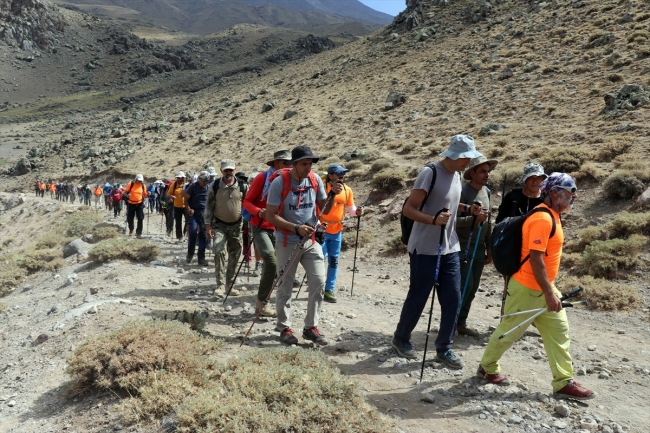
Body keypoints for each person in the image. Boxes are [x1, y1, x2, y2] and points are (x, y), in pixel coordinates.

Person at [478, 173, 595, 399]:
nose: (575, 196)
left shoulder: (554, 215)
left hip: (544, 288)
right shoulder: (542, 219)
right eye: (570, 191)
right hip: (526, 288)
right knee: (509, 331)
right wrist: (550, 294)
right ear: (553, 192)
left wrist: (549, 291)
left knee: (559, 332)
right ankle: (487, 367)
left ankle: (563, 382)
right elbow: (536, 259)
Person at [391, 134, 482, 369]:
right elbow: (409, 209)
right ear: (454, 155)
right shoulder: (429, 173)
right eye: (465, 158)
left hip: (449, 247)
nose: (468, 163)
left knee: (453, 298)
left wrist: (467, 208)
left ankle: (444, 348)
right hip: (425, 247)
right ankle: (401, 338)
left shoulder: (458, 175)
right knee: (419, 296)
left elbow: (450, 203)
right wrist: (433, 220)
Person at [266, 145, 339, 346]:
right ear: (294, 164)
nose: (309, 168)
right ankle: (284, 327)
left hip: (310, 240)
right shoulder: (279, 184)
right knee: (285, 284)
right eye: (305, 164)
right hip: (286, 241)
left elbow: (324, 209)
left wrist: (333, 194)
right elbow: (271, 215)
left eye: (310, 164)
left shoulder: (315, 180)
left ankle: (310, 327)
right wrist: (295, 227)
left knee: (319, 281)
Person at [243, 149, 293, 317]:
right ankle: (262, 304)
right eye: (286, 163)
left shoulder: (290, 180)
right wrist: (258, 211)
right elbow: (247, 201)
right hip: (260, 226)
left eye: (291, 163)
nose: (290, 166)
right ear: (277, 163)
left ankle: (274, 302)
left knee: (279, 266)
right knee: (271, 261)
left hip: (280, 228)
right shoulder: (262, 178)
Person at [455, 154, 498, 337]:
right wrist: (473, 217)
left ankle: (461, 323)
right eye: (483, 171)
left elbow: (487, 222)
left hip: (479, 246)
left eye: (488, 171)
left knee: (473, 288)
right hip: (464, 245)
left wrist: (489, 247)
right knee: (465, 285)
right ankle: (451, 323)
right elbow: (453, 222)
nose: (487, 175)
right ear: (472, 173)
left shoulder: (486, 192)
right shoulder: (462, 192)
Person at [318, 163, 364, 303]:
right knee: (318, 260)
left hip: (337, 231)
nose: (342, 176)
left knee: (334, 261)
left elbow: (351, 209)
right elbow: (315, 207)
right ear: (331, 176)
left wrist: (357, 212)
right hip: (321, 230)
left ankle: (329, 289)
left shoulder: (347, 190)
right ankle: (317, 286)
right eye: (339, 174)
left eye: (343, 173)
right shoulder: (322, 188)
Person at [205, 159, 248, 296]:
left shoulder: (243, 186)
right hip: (219, 225)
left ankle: (230, 284)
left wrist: (248, 225)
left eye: (231, 169)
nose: (229, 172)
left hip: (237, 226)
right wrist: (207, 226)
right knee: (219, 251)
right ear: (221, 170)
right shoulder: (215, 185)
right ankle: (220, 285)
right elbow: (209, 206)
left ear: (235, 169)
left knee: (235, 255)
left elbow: (248, 206)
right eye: (226, 170)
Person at [182, 171, 210, 265]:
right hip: (194, 213)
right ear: (200, 179)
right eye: (204, 181)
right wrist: (189, 209)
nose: (205, 182)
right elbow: (186, 199)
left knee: (203, 235)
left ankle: (201, 258)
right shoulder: (193, 187)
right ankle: (190, 254)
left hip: (204, 214)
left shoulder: (209, 188)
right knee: (192, 232)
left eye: (207, 181)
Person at [167, 172, 187, 242]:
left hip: (186, 206)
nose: (179, 179)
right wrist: (172, 196)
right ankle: (179, 237)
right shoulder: (174, 185)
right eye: (178, 178)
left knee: (188, 221)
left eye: (181, 178)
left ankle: (185, 235)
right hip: (177, 206)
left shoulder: (187, 185)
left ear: (183, 178)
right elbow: (169, 194)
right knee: (178, 222)